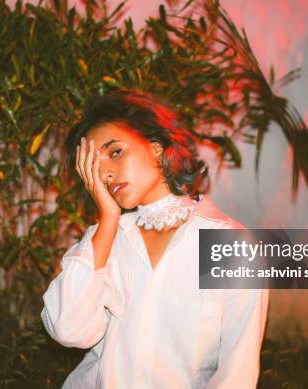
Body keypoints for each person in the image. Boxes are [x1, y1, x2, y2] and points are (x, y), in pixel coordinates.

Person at [41, 90, 269, 388]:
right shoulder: (106, 240)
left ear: (156, 148)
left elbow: (236, 374)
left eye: (115, 152)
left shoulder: (230, 243)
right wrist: (107, 220)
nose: (107, 174)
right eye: (95, 168)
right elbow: (67, 330)